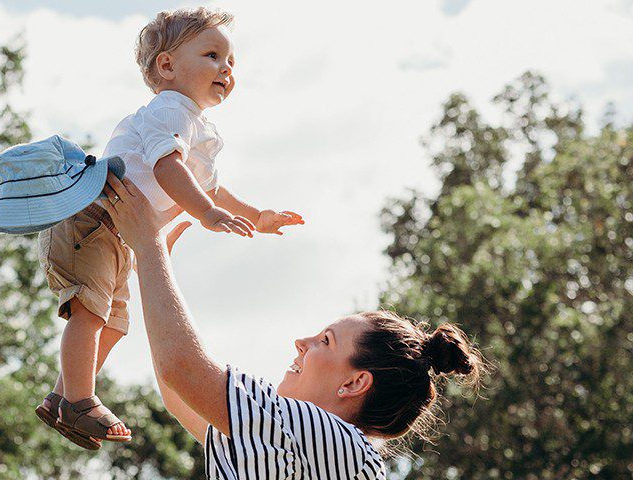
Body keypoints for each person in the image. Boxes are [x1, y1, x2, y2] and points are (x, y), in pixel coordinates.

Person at [35, 6, 304, 450]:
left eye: (231, 62)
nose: (226, 69)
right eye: (213, 55)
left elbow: (211, 189)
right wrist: (204, 213)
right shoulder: (169, 110)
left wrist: (258, 216)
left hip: (119, 233)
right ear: (167, 65)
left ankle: (63, 396)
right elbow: (167, 169)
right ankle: (80, 399)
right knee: (91, 312)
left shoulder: (197, 125)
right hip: (93, 220)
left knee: (115, 324)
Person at [97, 174, 488, 478]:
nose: (301, 342)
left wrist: (148, 246)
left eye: (325, 341)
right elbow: (179, 391)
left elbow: (182, 370)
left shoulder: (329, 438)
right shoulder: (309, 448)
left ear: (354, 383)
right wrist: (154, 262)